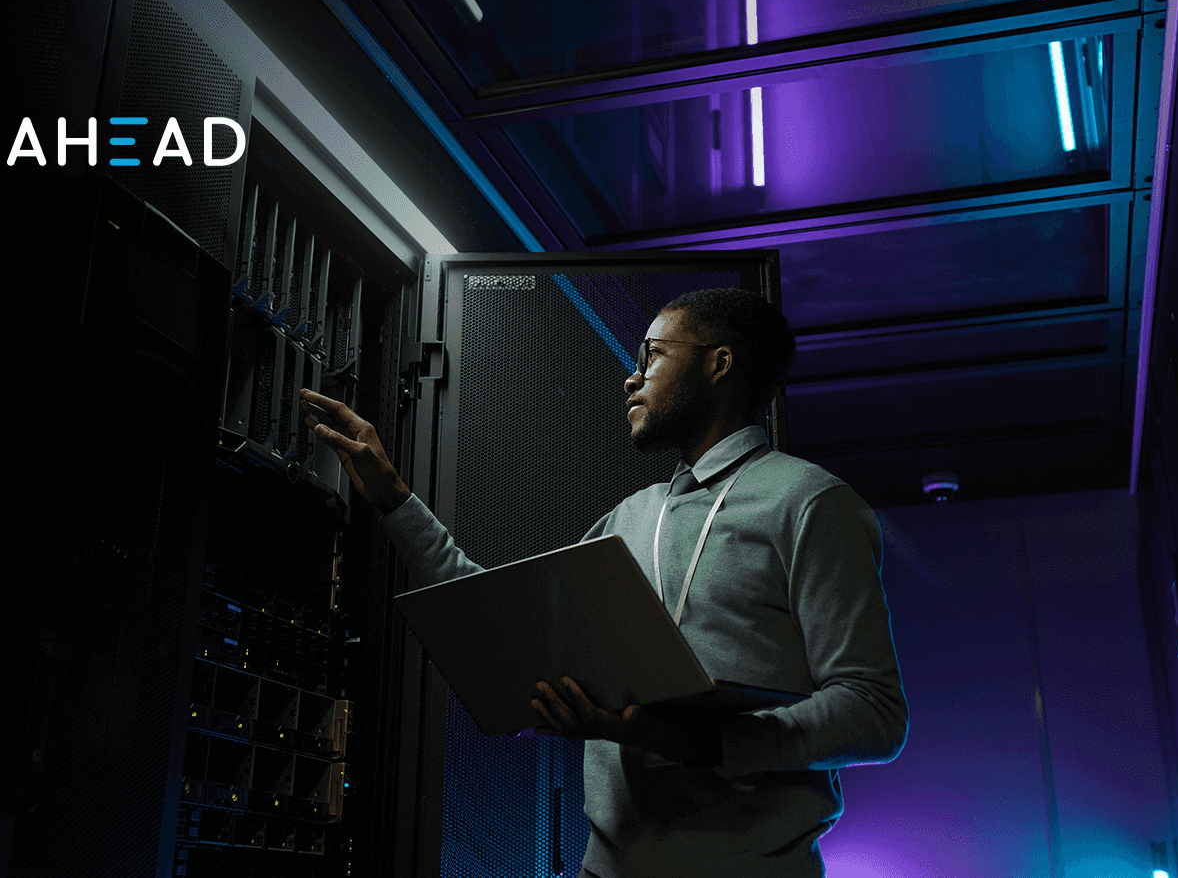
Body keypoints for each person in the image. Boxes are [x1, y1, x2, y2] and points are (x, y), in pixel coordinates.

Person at [299, 287, 907, 878]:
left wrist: (708, 743)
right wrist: (394, 501)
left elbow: (873, 713)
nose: (630, 378)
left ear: (720, 365)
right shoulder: (631, 516)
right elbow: (502, 616)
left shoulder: (811, 503)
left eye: (652, 356)